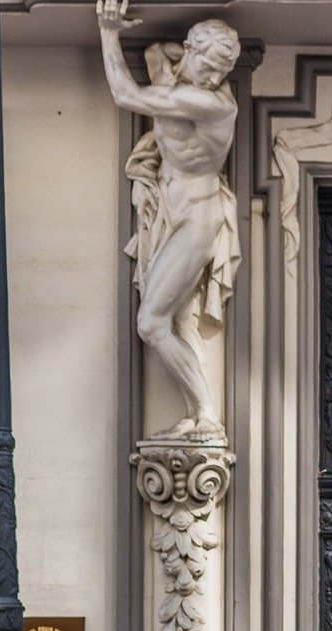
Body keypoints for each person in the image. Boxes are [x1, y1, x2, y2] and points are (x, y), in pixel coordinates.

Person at [100, 0, 241, 440]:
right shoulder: (184, 80)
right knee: (180, 321)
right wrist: (165, 58)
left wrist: (108, 32)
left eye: (223, 71)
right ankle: (198, 417)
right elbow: (160, 59)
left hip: (197, 217)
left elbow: (126, 96)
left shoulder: (211, 103)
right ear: (192, 51)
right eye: (210, 66)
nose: (216, 78)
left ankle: (209, 417)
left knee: (150, 322)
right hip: (170, 210)